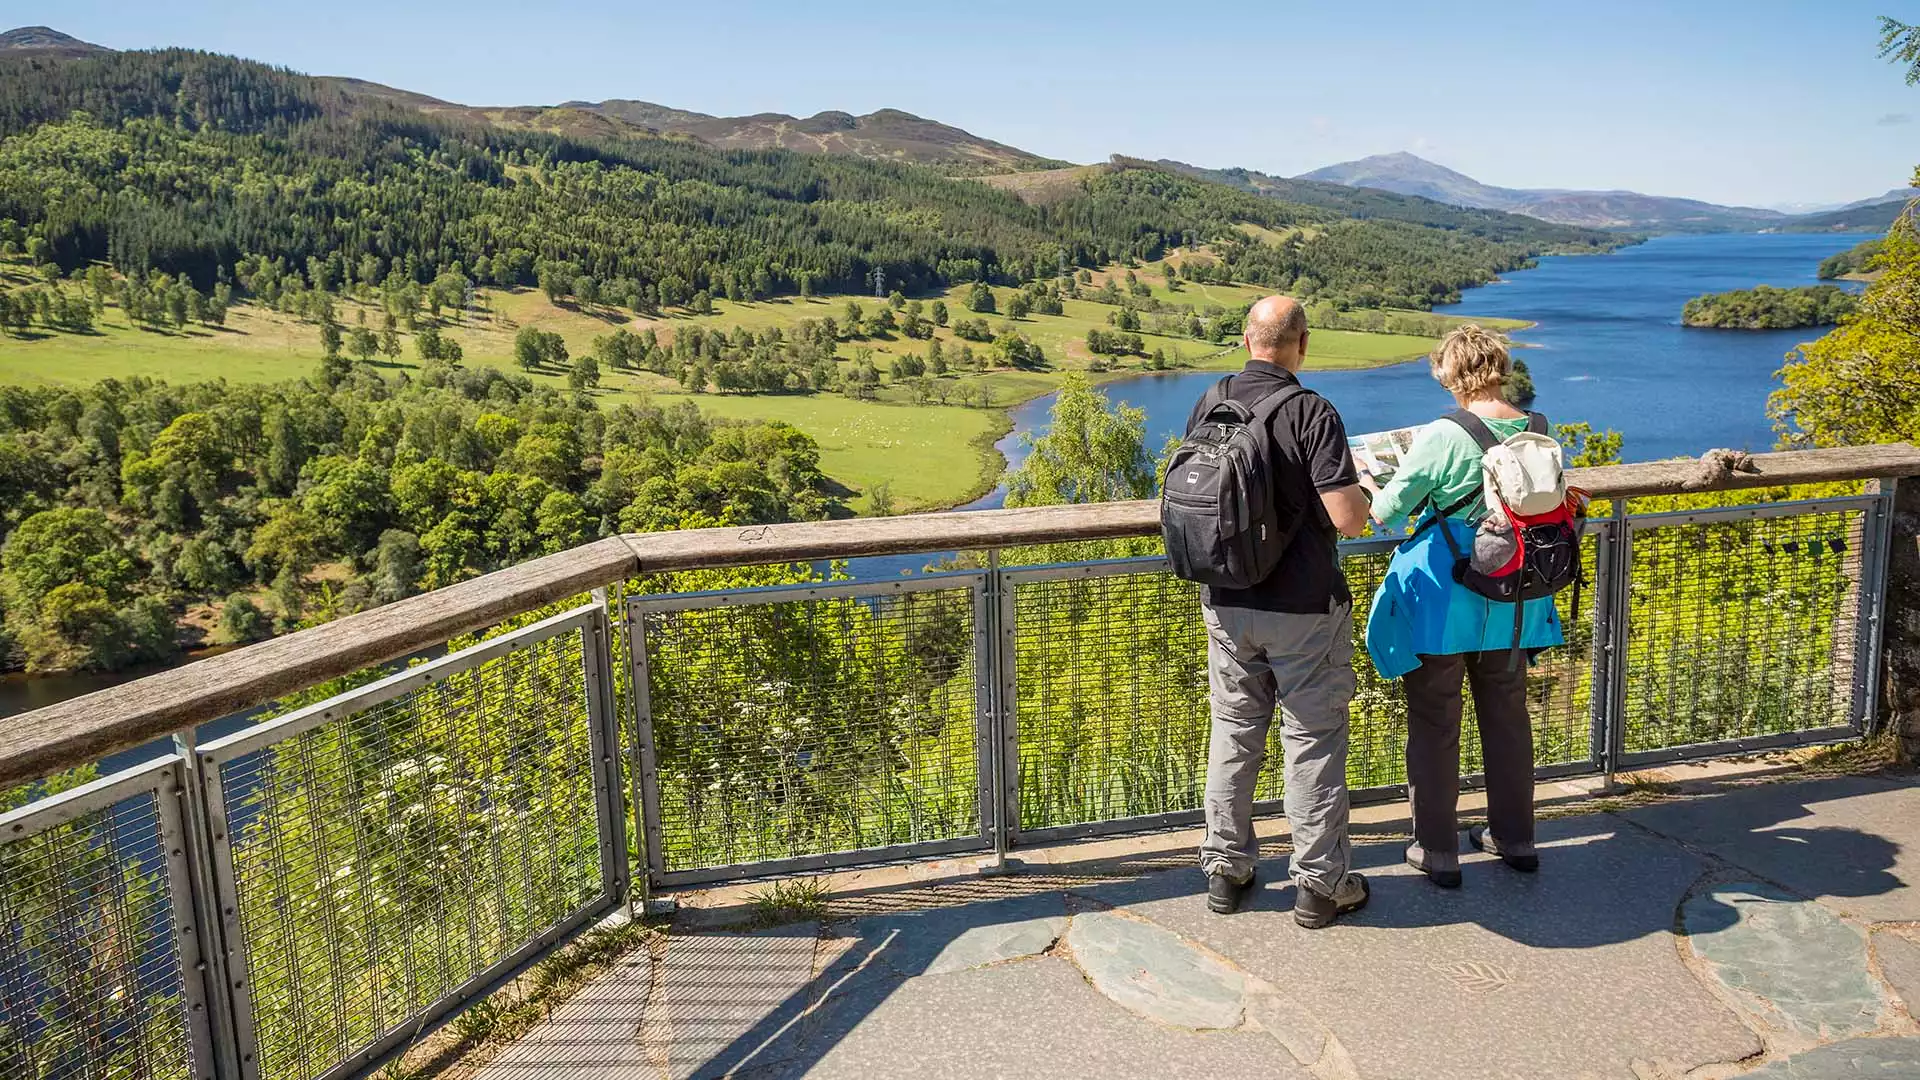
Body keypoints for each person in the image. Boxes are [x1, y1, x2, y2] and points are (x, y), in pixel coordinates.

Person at [1357, 325, 1565, 888]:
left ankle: (1438, 850)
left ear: (1451, 375)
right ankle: (1516, 838)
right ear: (1500, 367)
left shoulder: (1445, 433)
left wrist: (1370, 484)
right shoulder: (1540, 431)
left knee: (1434, 723)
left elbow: (1388, 513)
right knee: (1508, 717)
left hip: (1444, 600)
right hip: (1516, 599)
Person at [1193, 295, 1372, 928]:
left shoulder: (1212, 400)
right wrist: (1365, 494)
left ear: (1247, 339)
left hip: (1226, 599)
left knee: (1235, 730)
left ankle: (1226, 871)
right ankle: (1320, 887)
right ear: (1301, 344)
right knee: (1312, 741)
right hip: (1302, 606)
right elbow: (1347, 518)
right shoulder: (1312, 412)